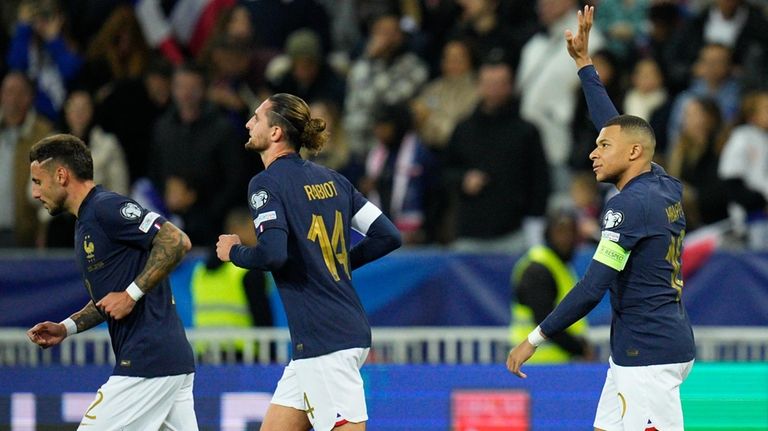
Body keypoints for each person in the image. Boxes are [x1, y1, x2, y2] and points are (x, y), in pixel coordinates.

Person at [506, 7, 695, 431]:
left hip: (648, 357)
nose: (593, 151)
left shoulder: (626, 207)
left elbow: (593, 287)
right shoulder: (661, 183)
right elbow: (617, 126)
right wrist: (585, 65)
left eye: (603, 146)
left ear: (632, 154)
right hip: (648, 346)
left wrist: (534, 339)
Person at [216, 93, 402, 430]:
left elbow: (273, 254)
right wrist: (334, 263)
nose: (248, 124)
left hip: (326, 342)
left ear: (275, 133)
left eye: (256, 118)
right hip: (329, 338)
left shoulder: (266, 184)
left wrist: (235, 252)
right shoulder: (335, 181)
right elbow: (388, 235)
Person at [25, 134, 198, 430]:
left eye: (38, 182)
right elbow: (110, 299)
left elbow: (176, 240)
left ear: (62, 175)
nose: (35, 193)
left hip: (147, 362)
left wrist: (131, 295)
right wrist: (66, 328)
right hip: (168, 361)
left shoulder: (106, 207)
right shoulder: (86, 222)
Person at [510, 209, 591, 363]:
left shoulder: (560, 266)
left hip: (556, 363)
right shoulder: (537, 269)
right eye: (559, 232)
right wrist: (579, 348)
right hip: (535, 364)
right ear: (548, 234)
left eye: (570, 232)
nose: (565, 238)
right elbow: (544, 320)